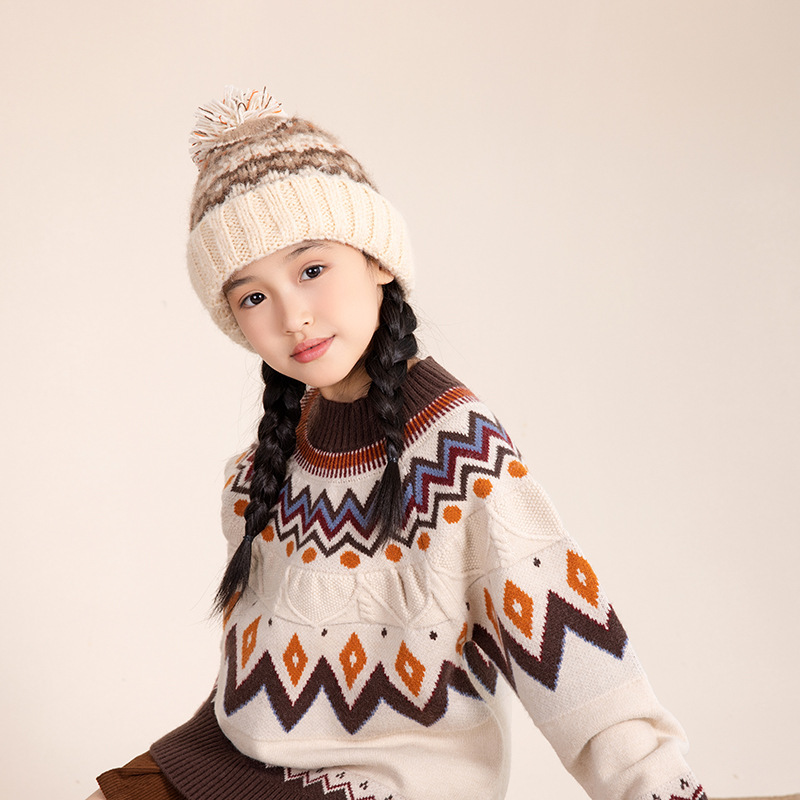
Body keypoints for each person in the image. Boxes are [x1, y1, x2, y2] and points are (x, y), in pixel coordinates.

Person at [90, 86, 706, 800]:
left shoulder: (456, 451)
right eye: (252, 296)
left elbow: (577, 664)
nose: (293, 316)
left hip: (391, 781)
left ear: (378, 260)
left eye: (312, 269)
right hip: (242, 758)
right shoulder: (261, 471)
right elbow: (257, 682)